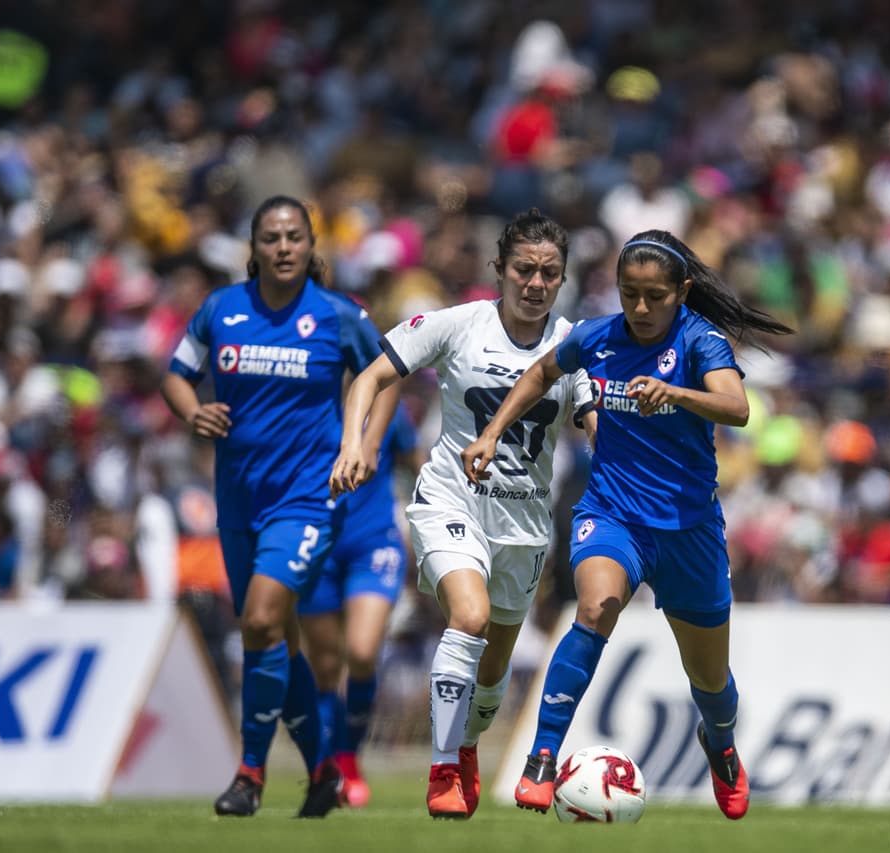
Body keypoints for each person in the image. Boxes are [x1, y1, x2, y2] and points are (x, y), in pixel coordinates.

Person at [461, 229, 791, 821]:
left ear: (681, 292)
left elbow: (737, 408)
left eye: (654, 297)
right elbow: (539, 374)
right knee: (595, 607)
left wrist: (676, 393)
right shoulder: (597, 337)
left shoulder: (700, 340)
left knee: (710, 680)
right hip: (612, 515)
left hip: (689, 530)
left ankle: (719, 743)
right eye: (628, 294)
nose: (640, 308)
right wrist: (491, 433)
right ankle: (542, 756)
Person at [330, 209, 596, 819]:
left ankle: (467, 744)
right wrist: (355, 444)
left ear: (562, 279)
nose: (535, 283)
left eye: (549, 273)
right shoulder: (457, 324)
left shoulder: (573, 344)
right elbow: (370, 378)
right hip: (451, 502)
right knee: (468, 616)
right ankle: (444, 767)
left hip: (523, 528)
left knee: (493, 671)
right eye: (524, 269)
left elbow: (594, 424)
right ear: (499, 270)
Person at [162, 195, 396, 819]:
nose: (284, 247)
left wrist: (365, 445)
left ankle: (250, 774)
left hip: (307, 499)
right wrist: (192, 412)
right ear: (254, 248)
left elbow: (388, 375)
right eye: (272, 237)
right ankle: (323, 770)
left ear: (311, 245)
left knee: (262, 618)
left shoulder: (337, 315)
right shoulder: (221, 310)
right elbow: (176, 374)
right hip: (238, 500)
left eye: (295, 236)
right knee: (273, 637)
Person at [297, 401, 421, 808]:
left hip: (374, 541)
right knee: (325, 666)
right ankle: (327, 762)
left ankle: (349, 756)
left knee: (363, 651)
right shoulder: (309, 404)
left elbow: (417, 464)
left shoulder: (389, 411)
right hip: (316, 540)